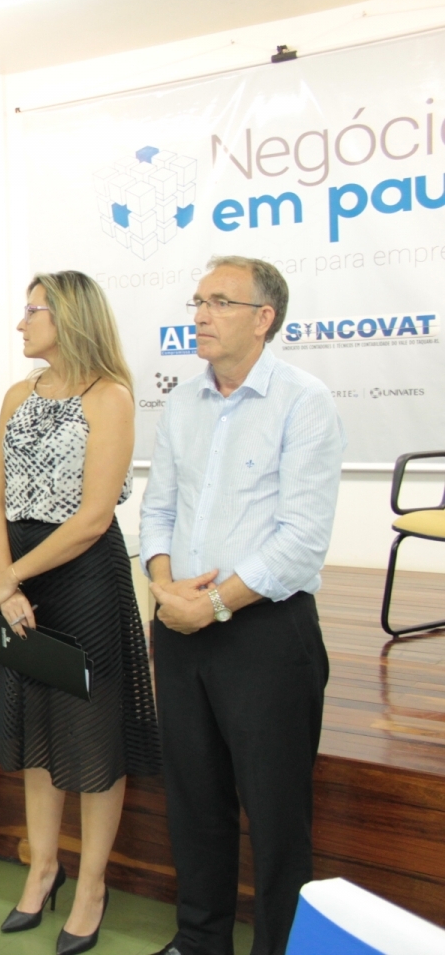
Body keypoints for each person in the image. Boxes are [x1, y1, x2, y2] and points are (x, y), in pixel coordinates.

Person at [140, 257, 344, 955]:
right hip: (180, 625)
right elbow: (158, 510)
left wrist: (214, 606)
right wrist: (165, 586)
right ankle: (201, 940)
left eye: (219, 302)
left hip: (265, 633)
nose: (200, 315)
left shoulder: (304, 401)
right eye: (198, 301)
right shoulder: (181, 403)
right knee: (195, 803)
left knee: (277, 816)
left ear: (263, 318)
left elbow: (301, 540)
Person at [0, 272, 161, 955]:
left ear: (69, 317)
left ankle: (92, 887)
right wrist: (5, 582)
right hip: (17, 578)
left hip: (81, 580)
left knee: (91, 735)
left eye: (32, 311)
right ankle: (43, 868)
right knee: (35, 730)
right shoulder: (17, 395)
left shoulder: (110, 397)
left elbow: (94, 517)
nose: (21, 323)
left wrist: (10, 578)